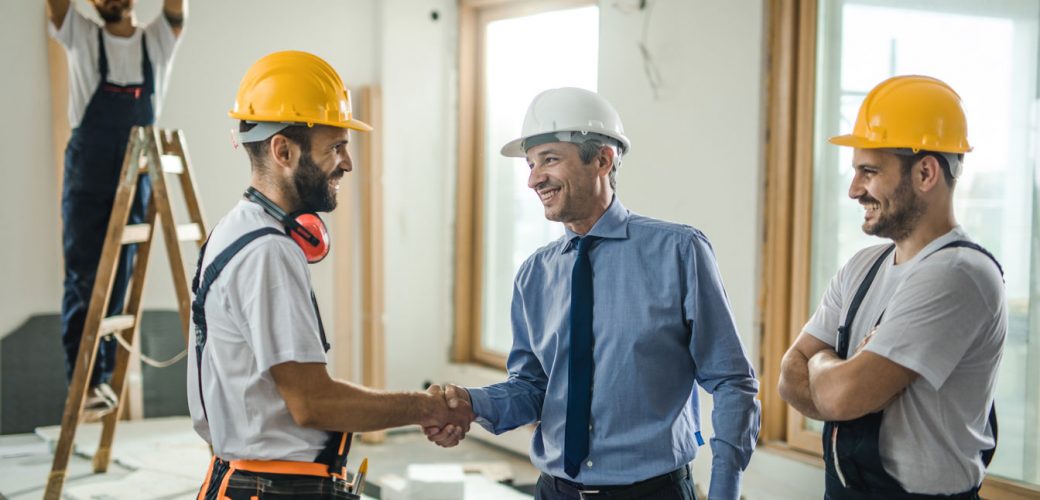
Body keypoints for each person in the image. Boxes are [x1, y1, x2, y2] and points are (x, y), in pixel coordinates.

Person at [426, 87, 760, 500]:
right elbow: (533, 387)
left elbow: (731, 381)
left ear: (602, 159)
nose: (534, 179)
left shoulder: (679, 252)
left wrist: (725, 490)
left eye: (549, 159)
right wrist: (470, 404)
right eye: (530, 165)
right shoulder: (535, 274)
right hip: (554, 491)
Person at [188, 51, 472, 499]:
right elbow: (312, 402)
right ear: (283, 150)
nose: (348, 163)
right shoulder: (267, 253)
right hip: (272, 487)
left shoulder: (238, 229)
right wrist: (425, 406)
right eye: (335, 147)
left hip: (258, 479)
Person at [777, 75, 1006, 499]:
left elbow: (843, 398)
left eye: (869, 171)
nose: (853, 190)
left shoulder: (959, 274)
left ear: (925, 172)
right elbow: (789, 376)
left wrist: (823, 365)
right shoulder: (862, 267)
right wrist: (836, 368)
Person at [46, 0, 187, 419]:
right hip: (88, 168)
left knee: (121, 273)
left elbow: (177, 10)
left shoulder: (157, 41)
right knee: (84, 273)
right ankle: (84, 381)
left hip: (137, 166)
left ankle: (103, 376)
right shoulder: (82, 34)